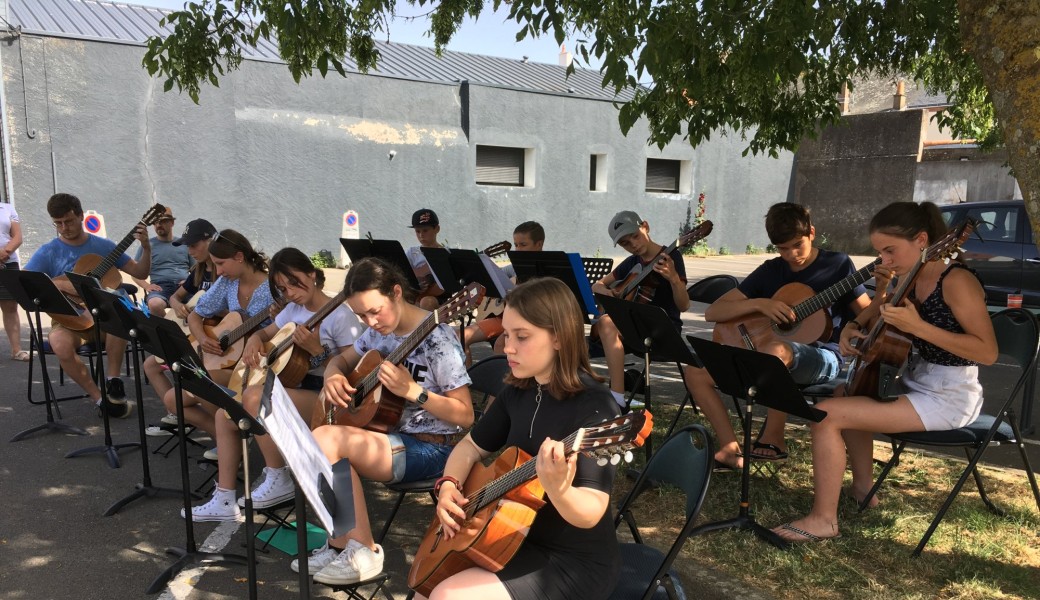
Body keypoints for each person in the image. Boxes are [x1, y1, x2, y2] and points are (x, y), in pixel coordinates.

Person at [771, 201, 997, 542]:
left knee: (825, 414)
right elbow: (878, 309)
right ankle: (864, 489)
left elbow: (987, 352)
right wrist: (851, 326)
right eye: (880, 252)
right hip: (915, 380)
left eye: (890, 251)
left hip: (950, 395)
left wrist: (920, 328)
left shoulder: (956, 281)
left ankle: (823, 520)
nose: (884, 261)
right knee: (845, 395)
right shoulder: (909, 275)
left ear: (922, 240)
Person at [419, 277, 621, 600]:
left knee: (447, 596)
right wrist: (448, 485)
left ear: (558, 337)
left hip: (573, 562)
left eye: (522, 336)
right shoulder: (519, 389)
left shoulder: (597, 409)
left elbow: (592, 511)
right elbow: (470, 446)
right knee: (424, 588)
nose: (507, 347)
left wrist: (559, 490)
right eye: (507, 333)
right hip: (509, 536)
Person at [299, 257, 473, 585]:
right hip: (389, 438)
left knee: (326, 440)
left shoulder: (439, 340)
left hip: (433, 449)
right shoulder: (378, 335)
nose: (370, 321)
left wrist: (414, 392)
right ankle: (340, 544)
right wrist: (333, 375)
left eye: (374, 311)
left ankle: (364, 550)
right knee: (322, 445)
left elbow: (465, 415)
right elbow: (342, 358)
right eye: (361, 315)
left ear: (395, 292)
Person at [687, 203, 871, 469]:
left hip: (823, 357)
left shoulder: (838, 265)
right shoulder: (771, 270)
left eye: (797, 245)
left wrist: (884, 289)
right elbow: (714, 312)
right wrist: (761, 304)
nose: (791, 254)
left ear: (812, 233)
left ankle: (774, 437)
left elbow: (867, 314)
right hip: (764, 356)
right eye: (782, 249)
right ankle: (729, 449)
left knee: (777, 350)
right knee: (695, 372)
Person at [185, 247, 363, 521]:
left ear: (313, 275)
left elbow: (353, 375)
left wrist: (318, 352)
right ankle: (223, 498)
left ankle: (278, 477)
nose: (290, 292)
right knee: (225, 415)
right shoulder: (293, 309)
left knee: (256, 397)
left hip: (325, 396)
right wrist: (255, 339)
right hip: (296, 388)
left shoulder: (341, 317)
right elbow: (265, 332)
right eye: (282, 287)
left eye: (294, 282)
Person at [25, 193, 152, 418]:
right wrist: (63, 284)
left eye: (69, 221)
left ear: (81, 216)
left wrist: (146, 247)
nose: (64, 228)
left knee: (120, 315)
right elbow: (27, 282)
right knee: (58, 343)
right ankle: (101, 400)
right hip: (71, 318)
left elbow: (141, 273)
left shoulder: (104, 247)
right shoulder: (49, 251)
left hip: (104, 319)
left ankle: (113, 381)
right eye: (58, 223)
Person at [164, 229, 273, 451]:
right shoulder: (228, 283)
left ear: (240, 257)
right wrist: (203, 338)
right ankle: (226, 436)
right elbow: (196, 315)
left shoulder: (273, 289)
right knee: (171, 399)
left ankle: (234, 431)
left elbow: (286, 325)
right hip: (230, 361)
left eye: (221, 264)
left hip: (257, 363)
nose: (219, 271)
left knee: (201, 379)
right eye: (215, 265)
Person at [590, 210, 688, 407]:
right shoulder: (633, 261)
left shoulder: (671, 257)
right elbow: (598, 284)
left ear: (645, 226)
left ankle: (616, 398)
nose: (633, 244)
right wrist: (605, 290)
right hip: (636, 328)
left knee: (607, 322)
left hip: (664, 331)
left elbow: (684, 305)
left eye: (635, 236)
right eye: (626, 243)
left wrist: (675, 280)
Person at [143, 218, 219, 435]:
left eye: (194, 245)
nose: (190, 251)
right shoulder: (198, 270)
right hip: (194, 333)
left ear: (210, 240)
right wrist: (177, 306)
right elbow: (176, 297)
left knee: (193, 375)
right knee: (150, 365)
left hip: (210, 336)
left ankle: (221, 432)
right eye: (188, 246)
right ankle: (178, 415)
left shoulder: (223, 273)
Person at [462, 221, 545, 355]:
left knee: (501, 345)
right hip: (502, 318)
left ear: (539, 244)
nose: (518, 249)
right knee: (460, 337)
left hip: (525, 320)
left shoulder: (546, 270)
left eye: (523, 245)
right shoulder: (514, 267)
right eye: (516, 245)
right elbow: (495, 277)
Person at [131, 206, 193, 317]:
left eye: (163, 221)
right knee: (154, 304)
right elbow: (134, 272)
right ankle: (169, 332)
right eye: (156, 222)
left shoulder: (184, 244)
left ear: (172, 223)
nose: (159, 224)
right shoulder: (147, 245)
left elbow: (197, 269)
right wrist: (146, 286)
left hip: (184, 286)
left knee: (202, 303)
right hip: (160, 287)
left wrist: (190, 281)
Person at [0, 201, 27, 361]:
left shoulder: (7, 208)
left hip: (8, 262)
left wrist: (5, 252)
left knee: (10, 306)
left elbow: (17, 236)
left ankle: (16, 350)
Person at [405, 208, 446, 311]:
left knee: (426, 302)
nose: (421, 235)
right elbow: (402, 273)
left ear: (437, 229)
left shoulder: (445, 254)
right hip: (414, 294)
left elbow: (442, 287)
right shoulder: (411, 252)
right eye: (417, 231)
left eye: (425, 230)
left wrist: (422, 295)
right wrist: (414, 287)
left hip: (437, 297)